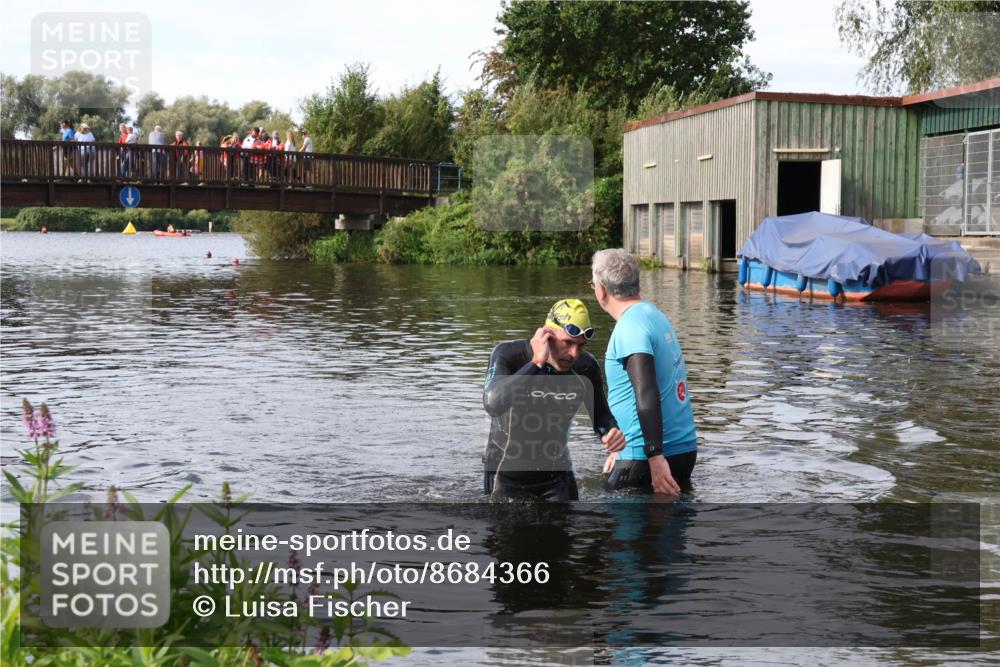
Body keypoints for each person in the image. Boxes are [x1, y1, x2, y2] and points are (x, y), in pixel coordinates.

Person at [483, 299, 626, 501]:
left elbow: (601, 417)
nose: (574, 354)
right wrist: (536, 363)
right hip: (505, 478)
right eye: (567, 343)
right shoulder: (509, 355)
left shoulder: (585, 366)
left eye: (581, 346)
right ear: (546, 334)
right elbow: (493, 404)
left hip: (557, 480)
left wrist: (610, 431)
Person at [590, 249, 698, 497]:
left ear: (601, 290)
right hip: (683, 450)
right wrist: (619, 450)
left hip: (645, 457)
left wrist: (654, 455)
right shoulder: (655, 316)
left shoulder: (630, 327)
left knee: (621, 532)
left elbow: (646, 391)